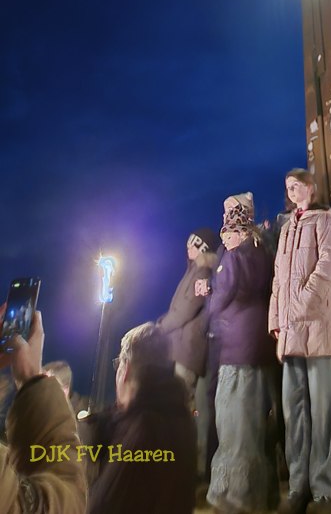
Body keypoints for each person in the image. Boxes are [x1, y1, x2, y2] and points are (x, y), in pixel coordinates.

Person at [269, 167, 331, 514]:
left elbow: (329, 264)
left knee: (323, 410)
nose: (292, 190)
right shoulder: (286, 229)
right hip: (289, 333)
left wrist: (299, 304)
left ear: (311, 188)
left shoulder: (324, 220)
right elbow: (277, 280)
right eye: (288, 187)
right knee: (293, 411)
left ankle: (327, 492)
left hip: (316, 328)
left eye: (297, 185)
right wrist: (276, 321)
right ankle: (298, 487)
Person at [82, 321, 197, 514]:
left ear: (125, 370)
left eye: (117, 364)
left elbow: (102, 507)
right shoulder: (181, 418)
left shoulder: (143, 428)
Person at [207, 204, 277, 513]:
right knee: (252, 425)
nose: (224, 238)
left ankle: (237, 496)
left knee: (234, 424)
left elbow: (221, 298)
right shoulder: (262, 253)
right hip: (256, 345)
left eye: (228, 231)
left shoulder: (236, 258)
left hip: (238, 347)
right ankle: (262, 493)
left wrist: (210, 300)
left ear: (241, 231)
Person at [0, 307, 87, 514]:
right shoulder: (58, 419)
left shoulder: (82, 424)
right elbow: (65, 500)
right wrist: (31, 377)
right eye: (46, 378)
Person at [157, 227, 220, 406]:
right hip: (182, 346)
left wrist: (161, 326)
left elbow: (186, 309)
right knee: (176, 399)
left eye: (193, 245)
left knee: (178, 401)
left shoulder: (202, 272)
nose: (188, 248)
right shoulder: (193, 270)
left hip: (189, 347)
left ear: (203, 248)